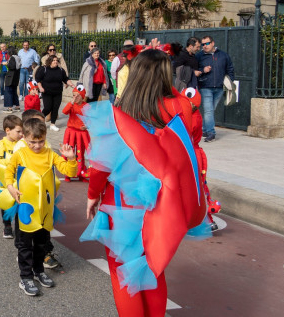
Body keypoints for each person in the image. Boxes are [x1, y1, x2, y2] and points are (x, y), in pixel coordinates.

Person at [83, 49, 208, 317]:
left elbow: (102, 165)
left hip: (122, 202)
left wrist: (93, 194)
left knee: (123, 274)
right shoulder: (181, 108)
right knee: (153, 269)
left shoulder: (121, 111)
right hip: (164, 202)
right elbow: (192, 147)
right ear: (166, 75)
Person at [5, 118, 78, 296]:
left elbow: (70, 172)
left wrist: (71, 159)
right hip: (25, 209)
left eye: (40, 141)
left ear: (45, 138)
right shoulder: (20, 154)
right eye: (32, 142)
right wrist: (10, 186)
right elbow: (9, 171)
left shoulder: (50, 154)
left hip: (44, 210)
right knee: (24, 246)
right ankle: (26, 277)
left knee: (41, 244)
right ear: (25, 138)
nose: (37, 146)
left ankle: (39, 272)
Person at [197, 36, 234, 143]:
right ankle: (211, 132)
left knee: (211, 110)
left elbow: (230, 69)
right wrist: (202, 70)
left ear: (213, 43)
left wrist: (229, 81)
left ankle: (204, 129)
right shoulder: (199, 56)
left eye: (206, 44)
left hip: (219, 87)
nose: (204, 46)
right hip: (205, 86)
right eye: (203, 44)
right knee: (208, 110)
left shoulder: (223, 55)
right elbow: (194, 69)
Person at [0, 114, 23, 238]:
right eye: (18, 131)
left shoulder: (20, 143)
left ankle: (20, 226)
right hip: (5, 180)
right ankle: (7, 226)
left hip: (18, 179)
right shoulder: (1, 144)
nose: (21, 134)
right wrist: (12, 162)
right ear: (8, 131)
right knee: (6, 203)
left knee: (18, 202)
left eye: (22, 131)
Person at [34, 55, 74, 131]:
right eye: (53, 60)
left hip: (58, 92)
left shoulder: (61, 70)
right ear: (50, 62)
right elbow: (38, 79)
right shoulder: (44, 69)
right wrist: (40, 87)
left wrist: (70, 83)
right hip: (47, 92)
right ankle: (38, 119)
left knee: (55, 108)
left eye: (56, 60)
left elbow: (65, 79)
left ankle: (53, 124)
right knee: (47, 108)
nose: (55, 62)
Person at [61, 86, 90, 181]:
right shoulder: (72, 104)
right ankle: (68, 173)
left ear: (82, 96)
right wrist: (71, 103)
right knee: (70, 151)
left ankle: (81, 172)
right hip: (71, 133)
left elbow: (91, 120)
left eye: (77, 96)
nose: (75, 98)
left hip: (82, 133)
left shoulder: (87, 106)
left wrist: (87, 126)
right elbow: (64, 111)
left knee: (81, 152)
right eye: (73, 96)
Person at [3, 46, 21, 112]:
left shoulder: (12, 58)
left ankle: (9, 107)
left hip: (10, 78)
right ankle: (17, 106)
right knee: (14, 92)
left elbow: (12, 66)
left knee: (8, 92)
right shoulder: (17, 57)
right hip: (15, 77)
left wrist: (6, 64)